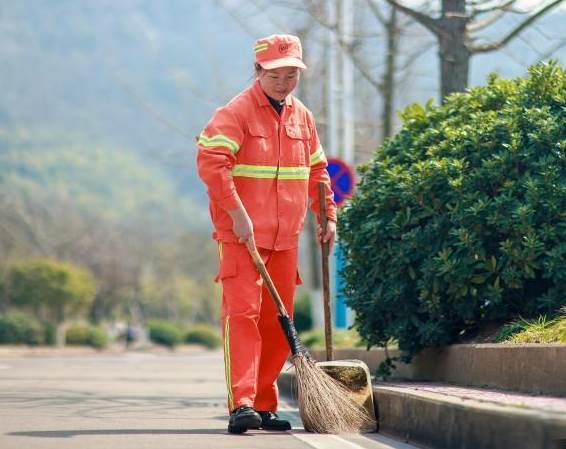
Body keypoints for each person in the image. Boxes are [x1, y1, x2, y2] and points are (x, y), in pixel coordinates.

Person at [196, 33, 337, 434]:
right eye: (275, 74)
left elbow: (317, 172)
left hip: (285, 238)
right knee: (242, 315)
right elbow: (211, 164)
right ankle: (241, 403)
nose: (284, 81)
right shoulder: (235, 113)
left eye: (291, 74)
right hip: (240, 237)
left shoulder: (302, 117)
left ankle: (264, 403)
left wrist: (327, 216)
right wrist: (237, 213)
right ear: (258, 70)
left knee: (278, 321)